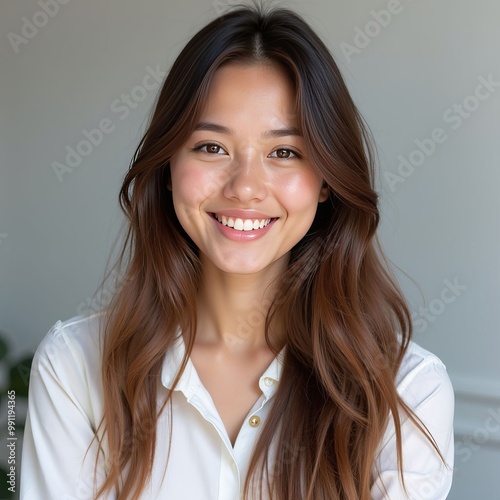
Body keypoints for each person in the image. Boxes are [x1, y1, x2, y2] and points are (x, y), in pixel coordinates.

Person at [20, 4, 454, 500]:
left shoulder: (407, 394)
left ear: (327, 182)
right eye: (211, 147)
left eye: (284, 153)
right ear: (167, 166)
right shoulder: (76, 366)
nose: (245, 187)